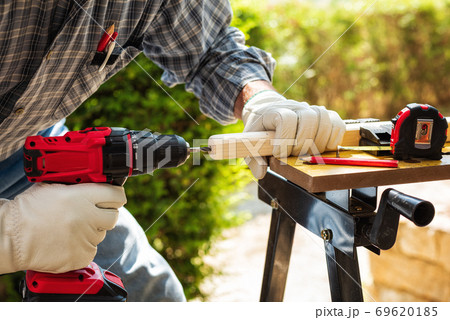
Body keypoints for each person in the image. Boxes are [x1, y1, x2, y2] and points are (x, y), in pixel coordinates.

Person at [0, 0, 345, 301]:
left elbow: (211, 50)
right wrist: (11, 233)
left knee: (150, 295)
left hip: (30, 149)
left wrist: (259, 99)